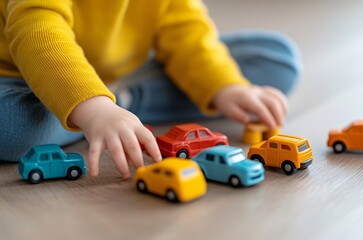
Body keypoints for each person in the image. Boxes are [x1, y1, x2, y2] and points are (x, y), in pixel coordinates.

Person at [0, 0, 301, 179]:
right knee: (9, 126)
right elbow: (38, 35)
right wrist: (94, 109)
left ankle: (120, 106)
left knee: (277, 59)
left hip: (124, 72)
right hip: (21, 77)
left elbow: (185, 29)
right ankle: (101, 112)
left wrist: (227, 86)